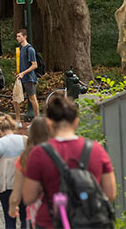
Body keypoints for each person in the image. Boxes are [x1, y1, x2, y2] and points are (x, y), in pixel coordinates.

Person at [22, 96, 116, 229]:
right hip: (89, 222)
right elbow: (110, 194)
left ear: (49, 123)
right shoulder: (96, 150)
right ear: (76, 121)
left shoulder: (39, 154)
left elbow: (28, 197)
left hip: (50, 222)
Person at [8, 117, 50, 229]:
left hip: (36, 213)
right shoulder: (58, 153)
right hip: (60, 210)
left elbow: (16, 192)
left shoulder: (24, 158)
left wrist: (12, 207)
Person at [0, 115, 27, 229]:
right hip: (24, 184)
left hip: (5, 186)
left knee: (9, 218)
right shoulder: (25, 140)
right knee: (25, 217)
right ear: (13, 127)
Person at [15, 29, 39, 122]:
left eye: (19, 36)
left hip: (29, 78)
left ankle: (37, 120)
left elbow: (34, 65)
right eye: (17, 36)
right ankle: (18, 120)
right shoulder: (21, 49)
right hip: (21, 78)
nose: (17, 38)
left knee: (32, 98)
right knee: (15, 99)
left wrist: (23, 73)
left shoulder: (30, 49)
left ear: (25, 37)